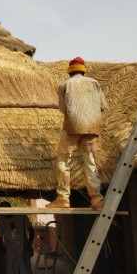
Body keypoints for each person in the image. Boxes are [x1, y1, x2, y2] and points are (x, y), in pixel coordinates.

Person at [46, 57, 107, 210]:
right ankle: (97, 200)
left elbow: (63, 109)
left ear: (70, 71)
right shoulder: (95, 83)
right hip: (92, 128)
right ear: (83, 70)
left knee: (63, 161)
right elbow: (103, 106)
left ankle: (63, 198)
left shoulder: (65, 85)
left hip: (72, 128)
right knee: (91, 163)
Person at [0, 201, 35, 274]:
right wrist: (0, 252)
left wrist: (29, 245)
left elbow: (31, 231)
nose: (3, 214)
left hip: (23, 249)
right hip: (10, 250)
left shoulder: (21, 216)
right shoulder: (1, 220)